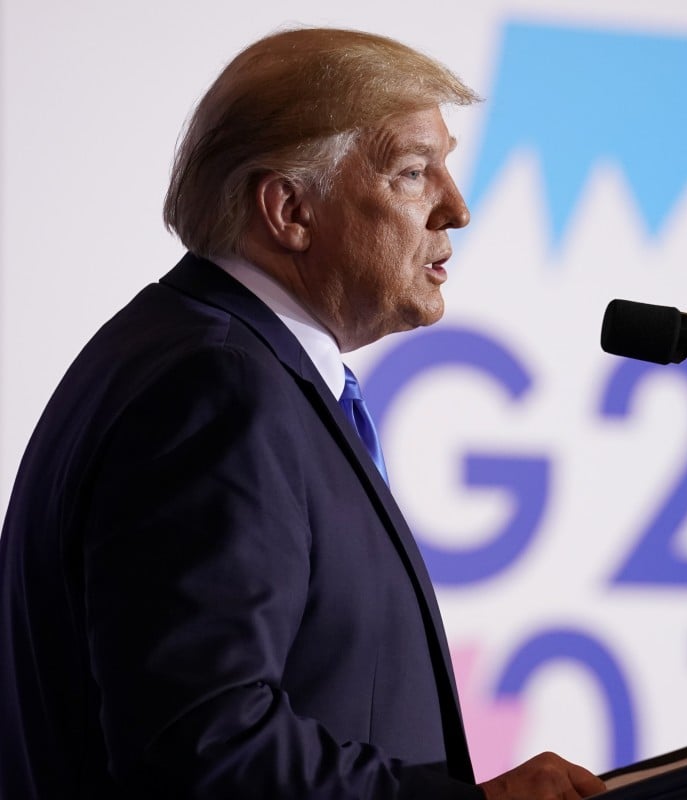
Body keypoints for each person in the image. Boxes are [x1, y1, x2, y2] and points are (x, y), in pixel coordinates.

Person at [0, 27, 607, 800]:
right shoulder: (216, 387)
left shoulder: (196, 355)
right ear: (290, 209)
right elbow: (202, 747)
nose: (456, 208)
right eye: (413, 172)